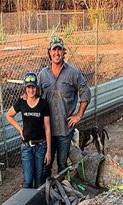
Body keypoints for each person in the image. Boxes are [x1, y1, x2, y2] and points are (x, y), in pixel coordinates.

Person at [37, 36, 90, 179]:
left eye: (59, 50)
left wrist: (78, 115)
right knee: (46, 165)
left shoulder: (73, 72)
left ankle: (62, 192)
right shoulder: (42, 75)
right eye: (54, 50)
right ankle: (47, 194)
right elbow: (36, 100)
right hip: (47, 131)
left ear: (63, 52)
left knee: (62, 164)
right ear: (49, 52)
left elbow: (86, 93)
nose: (56, 53)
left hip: (64, 130)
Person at [7, 72, 51, 188]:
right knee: (27, 180)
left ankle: (39, 203)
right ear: (25, 88)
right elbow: (9, 115)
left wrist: (49, 151)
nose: (31, 90)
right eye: (28, 87)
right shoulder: (21, 102)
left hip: (41, 145)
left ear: (36, 87)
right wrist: (19, 129)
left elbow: (47, 128)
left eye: (33, 87)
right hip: (27, 147)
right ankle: (27, 203)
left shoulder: (43, 104)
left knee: (39, 179)